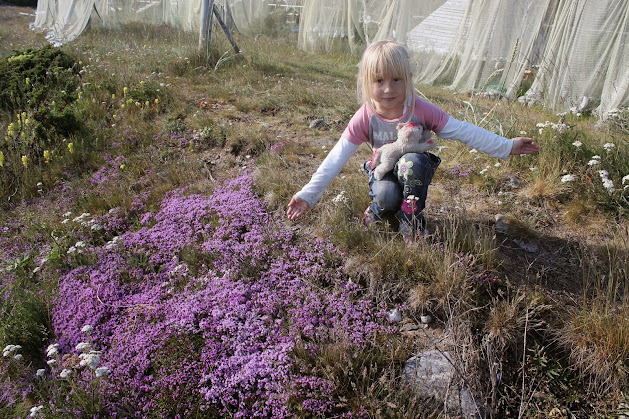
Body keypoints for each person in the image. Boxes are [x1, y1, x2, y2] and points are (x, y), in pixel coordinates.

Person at [286, 40, 539, 239]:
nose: (389, 89)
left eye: (397, 79)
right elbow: (336, 158)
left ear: (408, 77)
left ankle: (412, 227)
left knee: (412, 162)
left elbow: (463, 130)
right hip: (384, 171)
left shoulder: (421, 109)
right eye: (379, 80)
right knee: (386, 197)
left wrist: (506, 146)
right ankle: (376, 211)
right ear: (367, 81)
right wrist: (308, 195)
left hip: (414, 170)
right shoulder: (364, 117)